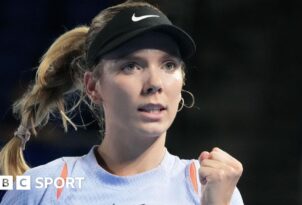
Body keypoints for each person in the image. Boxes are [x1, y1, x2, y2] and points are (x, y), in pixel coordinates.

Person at [0, 0, 244, 204]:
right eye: (131, 66)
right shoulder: (40, 189)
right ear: (93, 86)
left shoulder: (212, 188)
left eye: (168, 65)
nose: (154, 82)